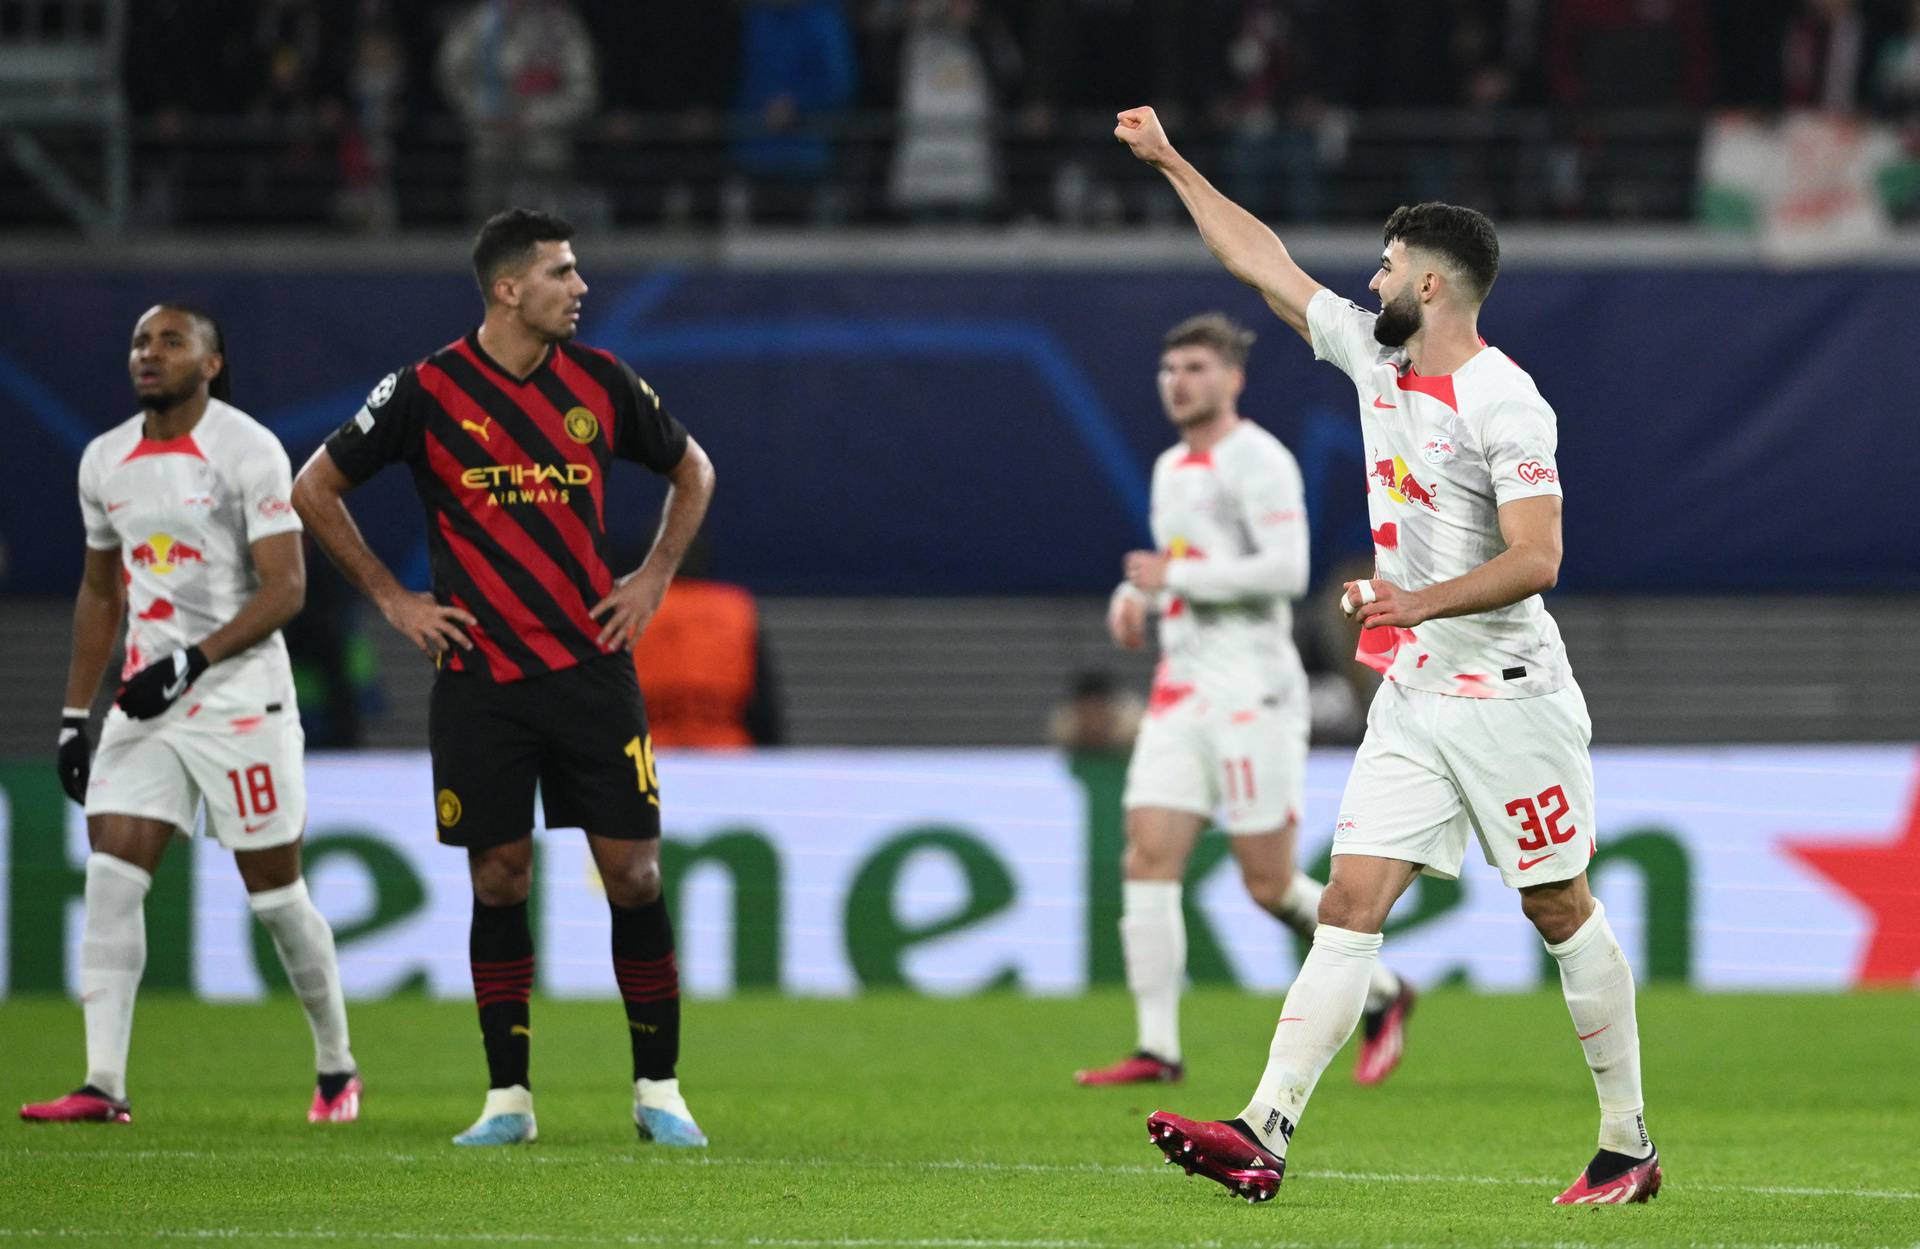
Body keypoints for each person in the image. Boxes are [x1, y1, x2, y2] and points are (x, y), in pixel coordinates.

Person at [1113, 106, 1659, 1207]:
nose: (1370, 280)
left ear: (1436, 287)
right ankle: (1263, 1129)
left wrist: (1410, 598)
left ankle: (1626, 1143)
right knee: (1350, 901)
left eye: (1389, 265)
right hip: (1415, 693)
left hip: (1511, 696)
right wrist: (1175, 161)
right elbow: (1259, 261)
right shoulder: (1373, 354)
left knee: (1558, 907)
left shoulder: (1507, 400)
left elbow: (1539, 556)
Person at [290, 209, 717, 1148]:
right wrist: (394, 601)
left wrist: (650, 578)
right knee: (498, 877)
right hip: (480, 675)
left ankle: (660, 1089)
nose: (582, 287)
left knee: (636, 876)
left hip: (592, 670)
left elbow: (693, 469)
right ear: (508, 289)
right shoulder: (426, 389)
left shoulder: (601, 383)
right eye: (563, 273)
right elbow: (313, 486)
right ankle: (508, 1101)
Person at [23, 304, 360, 1127]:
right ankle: (103, 1084)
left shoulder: (249, 449)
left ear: (211, 363)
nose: (150, 352)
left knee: (277, 898)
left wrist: (193, 661)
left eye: (172, 341)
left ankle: (336, 1065)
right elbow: (102, 591)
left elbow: (288, 587)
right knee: (110, 876)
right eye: (141, 339)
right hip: (147, 702)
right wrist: (74, 714)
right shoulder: (104, 460)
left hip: (241, 697)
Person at [1075, 312, 1412, 1091]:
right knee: (1147, 855)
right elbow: (1182, 564)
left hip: (1254, 691)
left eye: (1194, 368)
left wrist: (1173, 582)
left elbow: (1287, 572)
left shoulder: (1258, 460)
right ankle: (1157, 1047)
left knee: (1267, 883)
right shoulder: (1169, 469)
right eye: (1169, 370)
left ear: (1233, 379)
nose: (1178, 382)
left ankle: (1387, 991)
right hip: (1182, 688)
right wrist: (1137, 596)